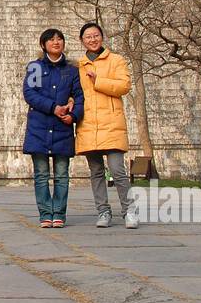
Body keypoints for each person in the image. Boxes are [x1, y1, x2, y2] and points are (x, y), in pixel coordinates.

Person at [75, 22, 138, 229]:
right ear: (82, 41)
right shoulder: (78, 66)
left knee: (117, 170)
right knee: (96, 172)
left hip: (111, 123)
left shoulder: (116, 60)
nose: (92, 39)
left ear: (101, 37)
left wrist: (98, 79)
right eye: (87, 37)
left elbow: (124, 86)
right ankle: (103, 211)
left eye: (95, 35)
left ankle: (129, 210)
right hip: (89, 124)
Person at [22, 29, 84, 227]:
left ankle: (59, 213)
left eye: (59, 39)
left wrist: (73, 116)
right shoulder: (36, 68)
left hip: (62, 128)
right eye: (51, 40)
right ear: (43, 45)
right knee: (41, 174)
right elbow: (30, 94)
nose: (56, 42)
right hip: (39, 128)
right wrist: (53, 107)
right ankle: (45, 213)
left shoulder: (71, 70)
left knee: (62, 174)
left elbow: (80, 97)